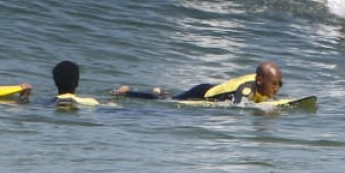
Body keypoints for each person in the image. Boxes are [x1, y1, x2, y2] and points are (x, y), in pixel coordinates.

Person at [113, 61, 284, 104]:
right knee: (165, 102)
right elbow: (237, 107)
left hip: (212, 87)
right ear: (259, 80)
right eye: (274, 84)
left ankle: (159, 90)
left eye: (279, 84)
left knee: (169, 97)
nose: (276, 88)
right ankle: (125, 92)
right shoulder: (246, 89)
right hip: (203, 93)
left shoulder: (261, 81)